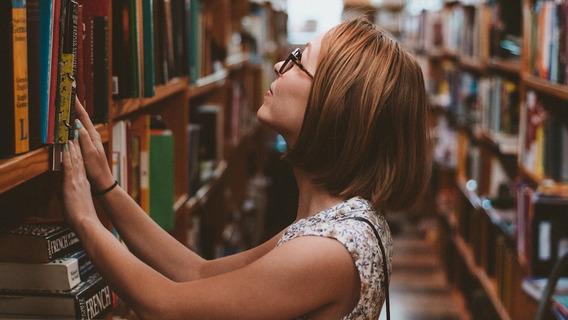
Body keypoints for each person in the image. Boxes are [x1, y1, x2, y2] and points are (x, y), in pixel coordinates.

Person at [62, 17, 430, 319]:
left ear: (335, 105)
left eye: (298, 60)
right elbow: (196, 272)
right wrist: (106, 187)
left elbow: (164, 306)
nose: (278, 65)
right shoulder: (333, 222)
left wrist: (84, 219)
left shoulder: (329, 250)